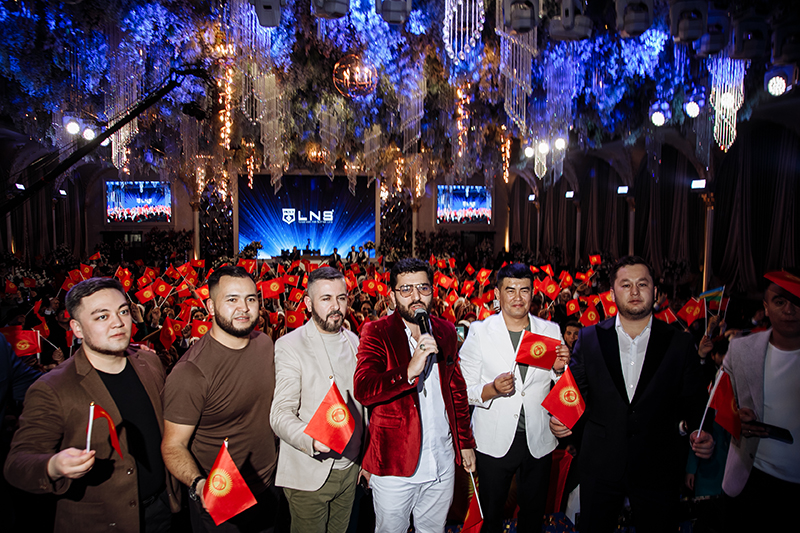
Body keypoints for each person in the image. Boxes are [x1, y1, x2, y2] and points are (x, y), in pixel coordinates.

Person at [550, 256, 714, 533]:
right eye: (626, 285)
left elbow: (695, 399)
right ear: (612, 293)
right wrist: (560, 418)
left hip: (658, 466)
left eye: (642, 284)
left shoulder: (679, 341)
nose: (635, 291)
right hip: (600, 465)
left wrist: (702, 430)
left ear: (655, 291)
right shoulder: (589, 339)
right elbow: (574, 392)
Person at [4, 278, 179, 533]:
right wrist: (53, 466)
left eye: (123, 311)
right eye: (102, 317)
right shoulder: (52, 387)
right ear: (77, 328)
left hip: (162, 510)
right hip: (101, 522)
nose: (118, 323)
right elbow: (17, 464)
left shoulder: (149, 363)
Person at [354, 257, 476, 533]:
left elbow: (456, 390)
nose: (416, 296)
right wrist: (408, 371)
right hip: (394, 465)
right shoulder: (377, 331)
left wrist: (465, 442)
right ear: (392, 296)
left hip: (441, 461)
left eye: (423, 288)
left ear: (433, 291)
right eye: (406, 289)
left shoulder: (445, 330)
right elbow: (363, 388)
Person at [162, 266, 278, 532]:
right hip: (223, 496)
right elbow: (173, 445)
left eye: (250, 298)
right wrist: (198, 484)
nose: (244, 308)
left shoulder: (264, 344)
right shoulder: (190, 373)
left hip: (270, 484)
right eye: (232, 299)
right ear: (211, 307)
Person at [459, 263, 570, 532]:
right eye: (510, 290)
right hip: (493, 439)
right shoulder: (480, 332)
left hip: (538, 438)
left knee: (533, 516)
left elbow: (562, 386)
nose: (518, 297)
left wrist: (559, 370)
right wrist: (492, 389)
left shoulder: (550, 330)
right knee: (492, 515)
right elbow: (464, 390)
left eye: (524, 290)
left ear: (533, 294)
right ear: (498, 294)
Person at [271, 267, 365, 533]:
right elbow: (279, 414)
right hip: (310, 473)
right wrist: (312, 440)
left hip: (351, 469)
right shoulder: (290, 345)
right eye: (326, 299)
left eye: (341, 298)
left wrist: (365, 459)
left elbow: (364, 405)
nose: (336, 306)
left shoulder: (355, 341)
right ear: (309, 303)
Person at [721, 271, 800, 531]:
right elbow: (718, 401)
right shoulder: (741, 350)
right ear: (765, 307)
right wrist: (736, 419)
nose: (789, 310)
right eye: (780, 301)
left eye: (797, 301)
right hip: (750, 478)